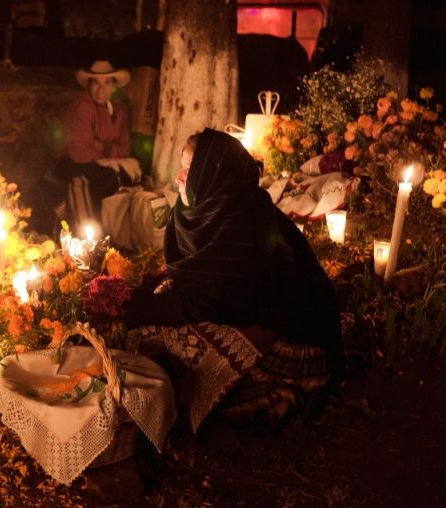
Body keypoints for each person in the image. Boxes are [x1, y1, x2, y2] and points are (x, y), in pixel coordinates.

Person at [124, 128, 344, 431]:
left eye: (189, 168)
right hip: (237, 316)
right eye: (182, 166)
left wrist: (134, 305)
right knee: (157, 335)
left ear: (213, 173)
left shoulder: (246, 219)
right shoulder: (196, 212)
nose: (178, 177)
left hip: (290, 340)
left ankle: (281, 391)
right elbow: (192, 276)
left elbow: (211, 303)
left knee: (176, 352)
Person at [55, 60, 140, 227]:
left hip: (102, 162)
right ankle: (87, 229)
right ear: (89, 85)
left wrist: (102, 147)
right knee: (101, 178)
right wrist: (109, 157)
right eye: (96, 83)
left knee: (132, 176)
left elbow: (125, 149)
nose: (101, 90)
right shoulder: (82, 106)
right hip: (72, 162)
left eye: (107, 83)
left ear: (114, 86)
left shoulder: (120, 110)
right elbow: (79, 152)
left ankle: (114, 227)